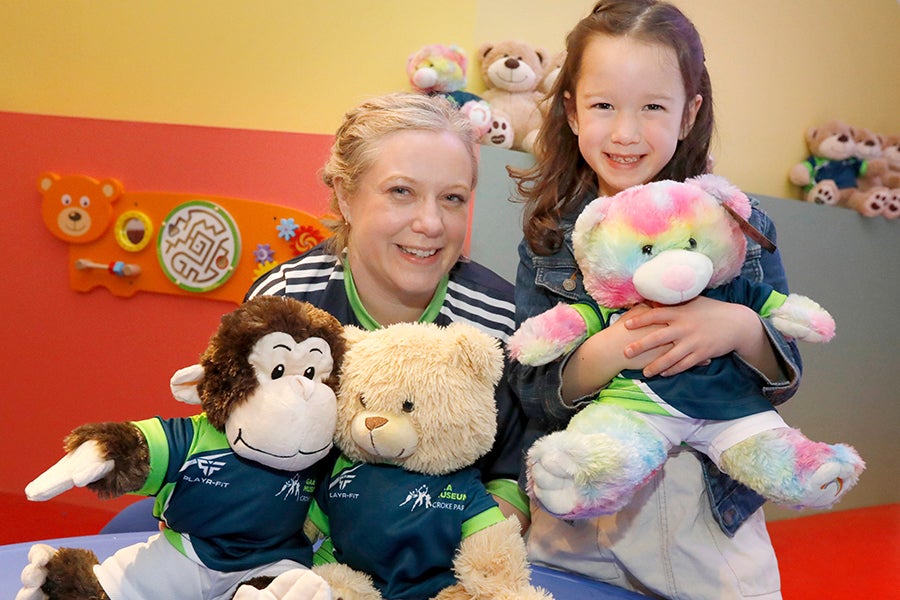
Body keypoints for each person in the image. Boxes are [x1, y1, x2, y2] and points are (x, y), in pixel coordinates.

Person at [508, 1, 801, 599]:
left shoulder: (736, 226)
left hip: (711, 545)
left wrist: (741, 326)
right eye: (603, 105)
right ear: (570, 111)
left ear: (689, 114)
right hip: (578, 541)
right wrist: (611, 348)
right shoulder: (552, 239)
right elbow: (532, 389)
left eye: (653, 107)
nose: (625, 132)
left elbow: (787, 373)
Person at [245, 92, 530, 530]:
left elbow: (511, 483)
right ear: (345, 195)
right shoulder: (286, 307)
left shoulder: (499, 321)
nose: (431, 224)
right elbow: (230, 446)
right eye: (402, 191)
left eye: (452, 198)